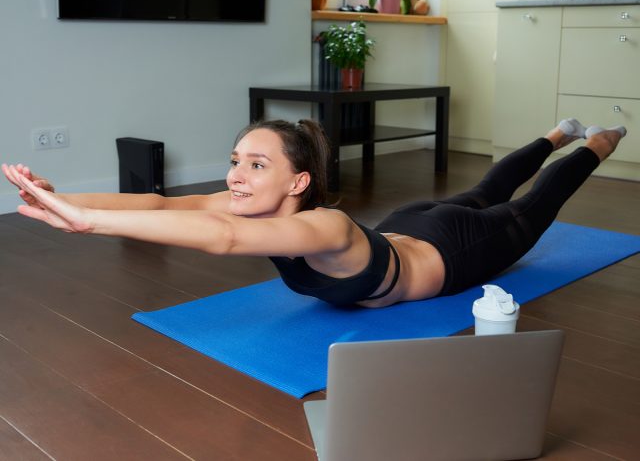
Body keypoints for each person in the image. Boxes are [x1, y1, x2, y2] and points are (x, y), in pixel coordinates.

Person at [2, 118, 627, 308]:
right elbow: (167, 203)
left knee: (531, 203)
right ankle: (553, 132)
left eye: (256, 165)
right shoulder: (261, 207)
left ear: (298, 181)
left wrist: (89, 223)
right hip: (413, 226)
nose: (235, 177)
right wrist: (65, 198)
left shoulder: (320, 225)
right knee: (484, 187)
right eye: (235, 159)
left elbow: (217, 238)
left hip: (454, 252)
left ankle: (598, 139)